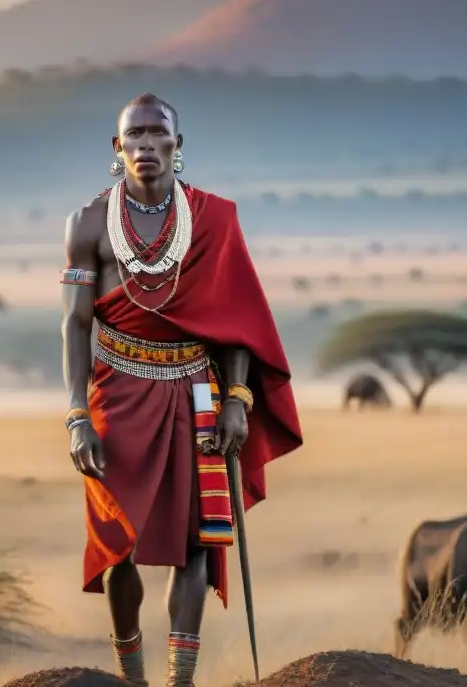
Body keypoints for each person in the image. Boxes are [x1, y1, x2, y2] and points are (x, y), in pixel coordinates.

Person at [59, 93, 303, 687]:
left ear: (178, 146)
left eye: (157, 133)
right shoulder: (88, 223)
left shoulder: (214, 219)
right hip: (115, 392)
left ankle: (180, 681)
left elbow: (238, 318)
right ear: (117, 150)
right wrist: (76, 416)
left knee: (197, 538)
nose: (145, 144)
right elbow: (75, 322)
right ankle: (133, 676)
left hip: (198, 390)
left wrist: (238, 400)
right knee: (118, 540)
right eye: (133, 136)